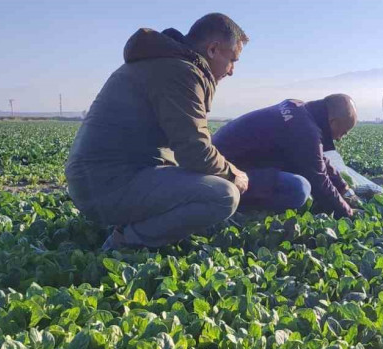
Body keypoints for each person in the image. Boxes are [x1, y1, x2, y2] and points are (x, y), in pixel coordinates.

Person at [65, 13, 250, 250]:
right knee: (223, 194)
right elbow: (195, 152)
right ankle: (125, 241)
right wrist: (234, 175)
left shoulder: (165, 62)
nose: (232, 70)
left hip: (99, 179)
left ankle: (131, 222)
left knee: (204, 180)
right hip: (105, 186)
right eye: (232, 59)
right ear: (213, 49)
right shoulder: (181, 72)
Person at [211, 94, 360, 218]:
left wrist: (343, 188)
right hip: (224, 173)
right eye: (344, 132)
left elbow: (317, 157)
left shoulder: (299, 109)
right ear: (333, 123)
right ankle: (237, 207)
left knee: (299, 175)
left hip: (222, 158)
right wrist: (348, 213)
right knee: (299, 188)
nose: (340, 138)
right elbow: (319, 179)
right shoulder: (305, 131)